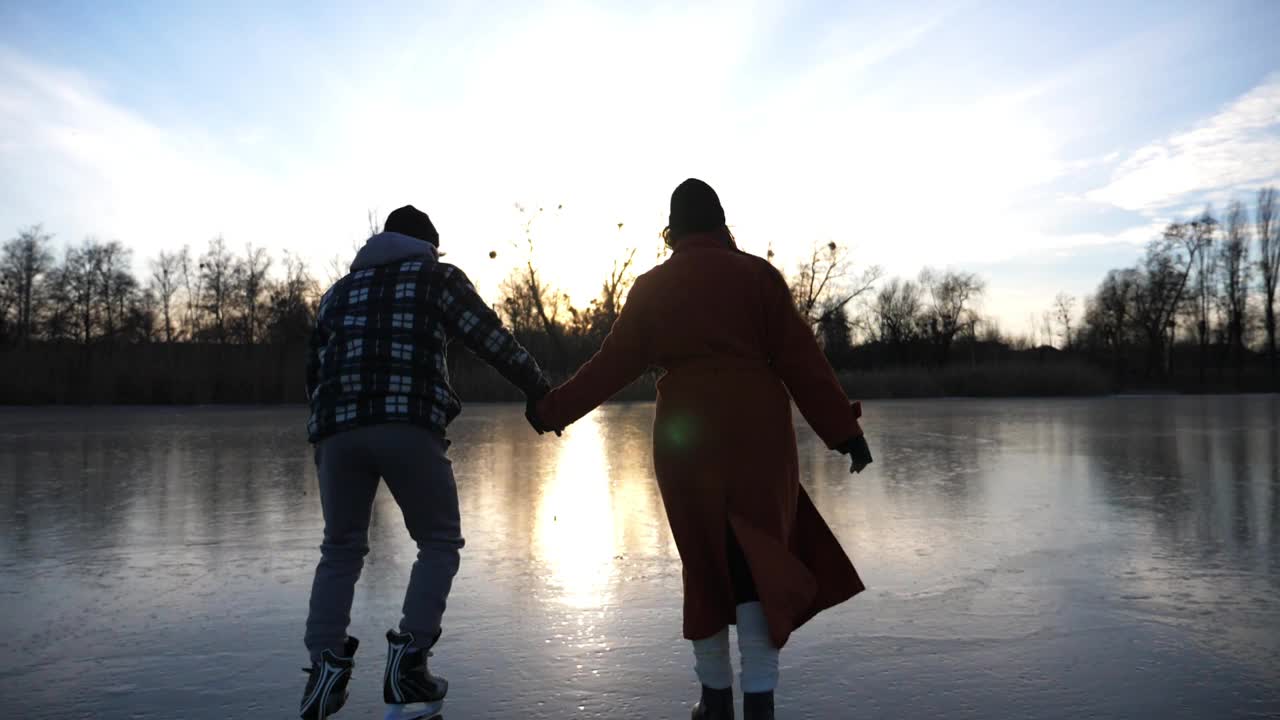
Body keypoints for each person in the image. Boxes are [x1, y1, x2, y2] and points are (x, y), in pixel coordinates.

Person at [530, 179, 873, 720]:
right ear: (720, 223)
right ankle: (759, 700)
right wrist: (845, 433)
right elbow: (802, 361)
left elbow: (612, 363)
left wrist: (552, 411)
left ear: (673, 230)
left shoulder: (651, 288)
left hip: (685, 435)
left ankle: (715, 700)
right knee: (760, 555)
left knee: (706, 561)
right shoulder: (758, 277)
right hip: (758, 430)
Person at [299, 205, 552, 720]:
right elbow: (491, 340)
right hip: (406, 424)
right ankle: (409, 660)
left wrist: (328, 431)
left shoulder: (336, 294)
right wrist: (540, 392)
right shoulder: (437, 278)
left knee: (341, 548)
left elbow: (314, 372)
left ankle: (325, 666)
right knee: (438, 540)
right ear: (428, 245)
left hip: (336, 432)